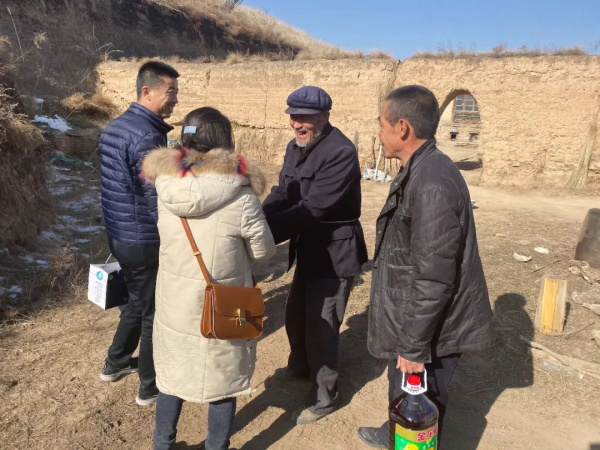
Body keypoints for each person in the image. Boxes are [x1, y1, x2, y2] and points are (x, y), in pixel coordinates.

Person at [357, 85, 494, 449]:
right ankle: (393, 434)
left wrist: (414, 346)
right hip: (416, 317)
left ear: (402, 127)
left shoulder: (432, 183)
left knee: (423, 409)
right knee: (404, 395)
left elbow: (434, 276)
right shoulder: (422, 168)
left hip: (432, 328)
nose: (379, 133)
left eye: (382, 124)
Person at [141, 107, 276, 450]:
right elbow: (264, 252)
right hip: (221, 306)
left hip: (174, 302)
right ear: (225, 141)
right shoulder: (242, 196)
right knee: (222, 382)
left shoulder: (165, 186)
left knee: (171, 377)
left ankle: (162, 444)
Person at [263, 85, 368, 425]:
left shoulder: (340, 151)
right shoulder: (295, 147)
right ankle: (301, 366)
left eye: (305, 117)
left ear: (324, 116)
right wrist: (257, 217)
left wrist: (263, 234)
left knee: (322, 325)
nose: (297, 123)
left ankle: (325, 396)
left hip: (335, 251)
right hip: (308, 247)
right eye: (293, 116)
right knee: (296, 315)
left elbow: (314, 207)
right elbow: (283, 191)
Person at [98, 61, 179, 406]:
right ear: (147, 91)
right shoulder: (147, 135)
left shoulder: (116, 126)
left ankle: (116, 362)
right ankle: (149, 386)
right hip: (143, 239)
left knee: (135, 301)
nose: (175, 100)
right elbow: (155, 196)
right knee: (153, 313)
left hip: (119, 234)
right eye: (171, 92)